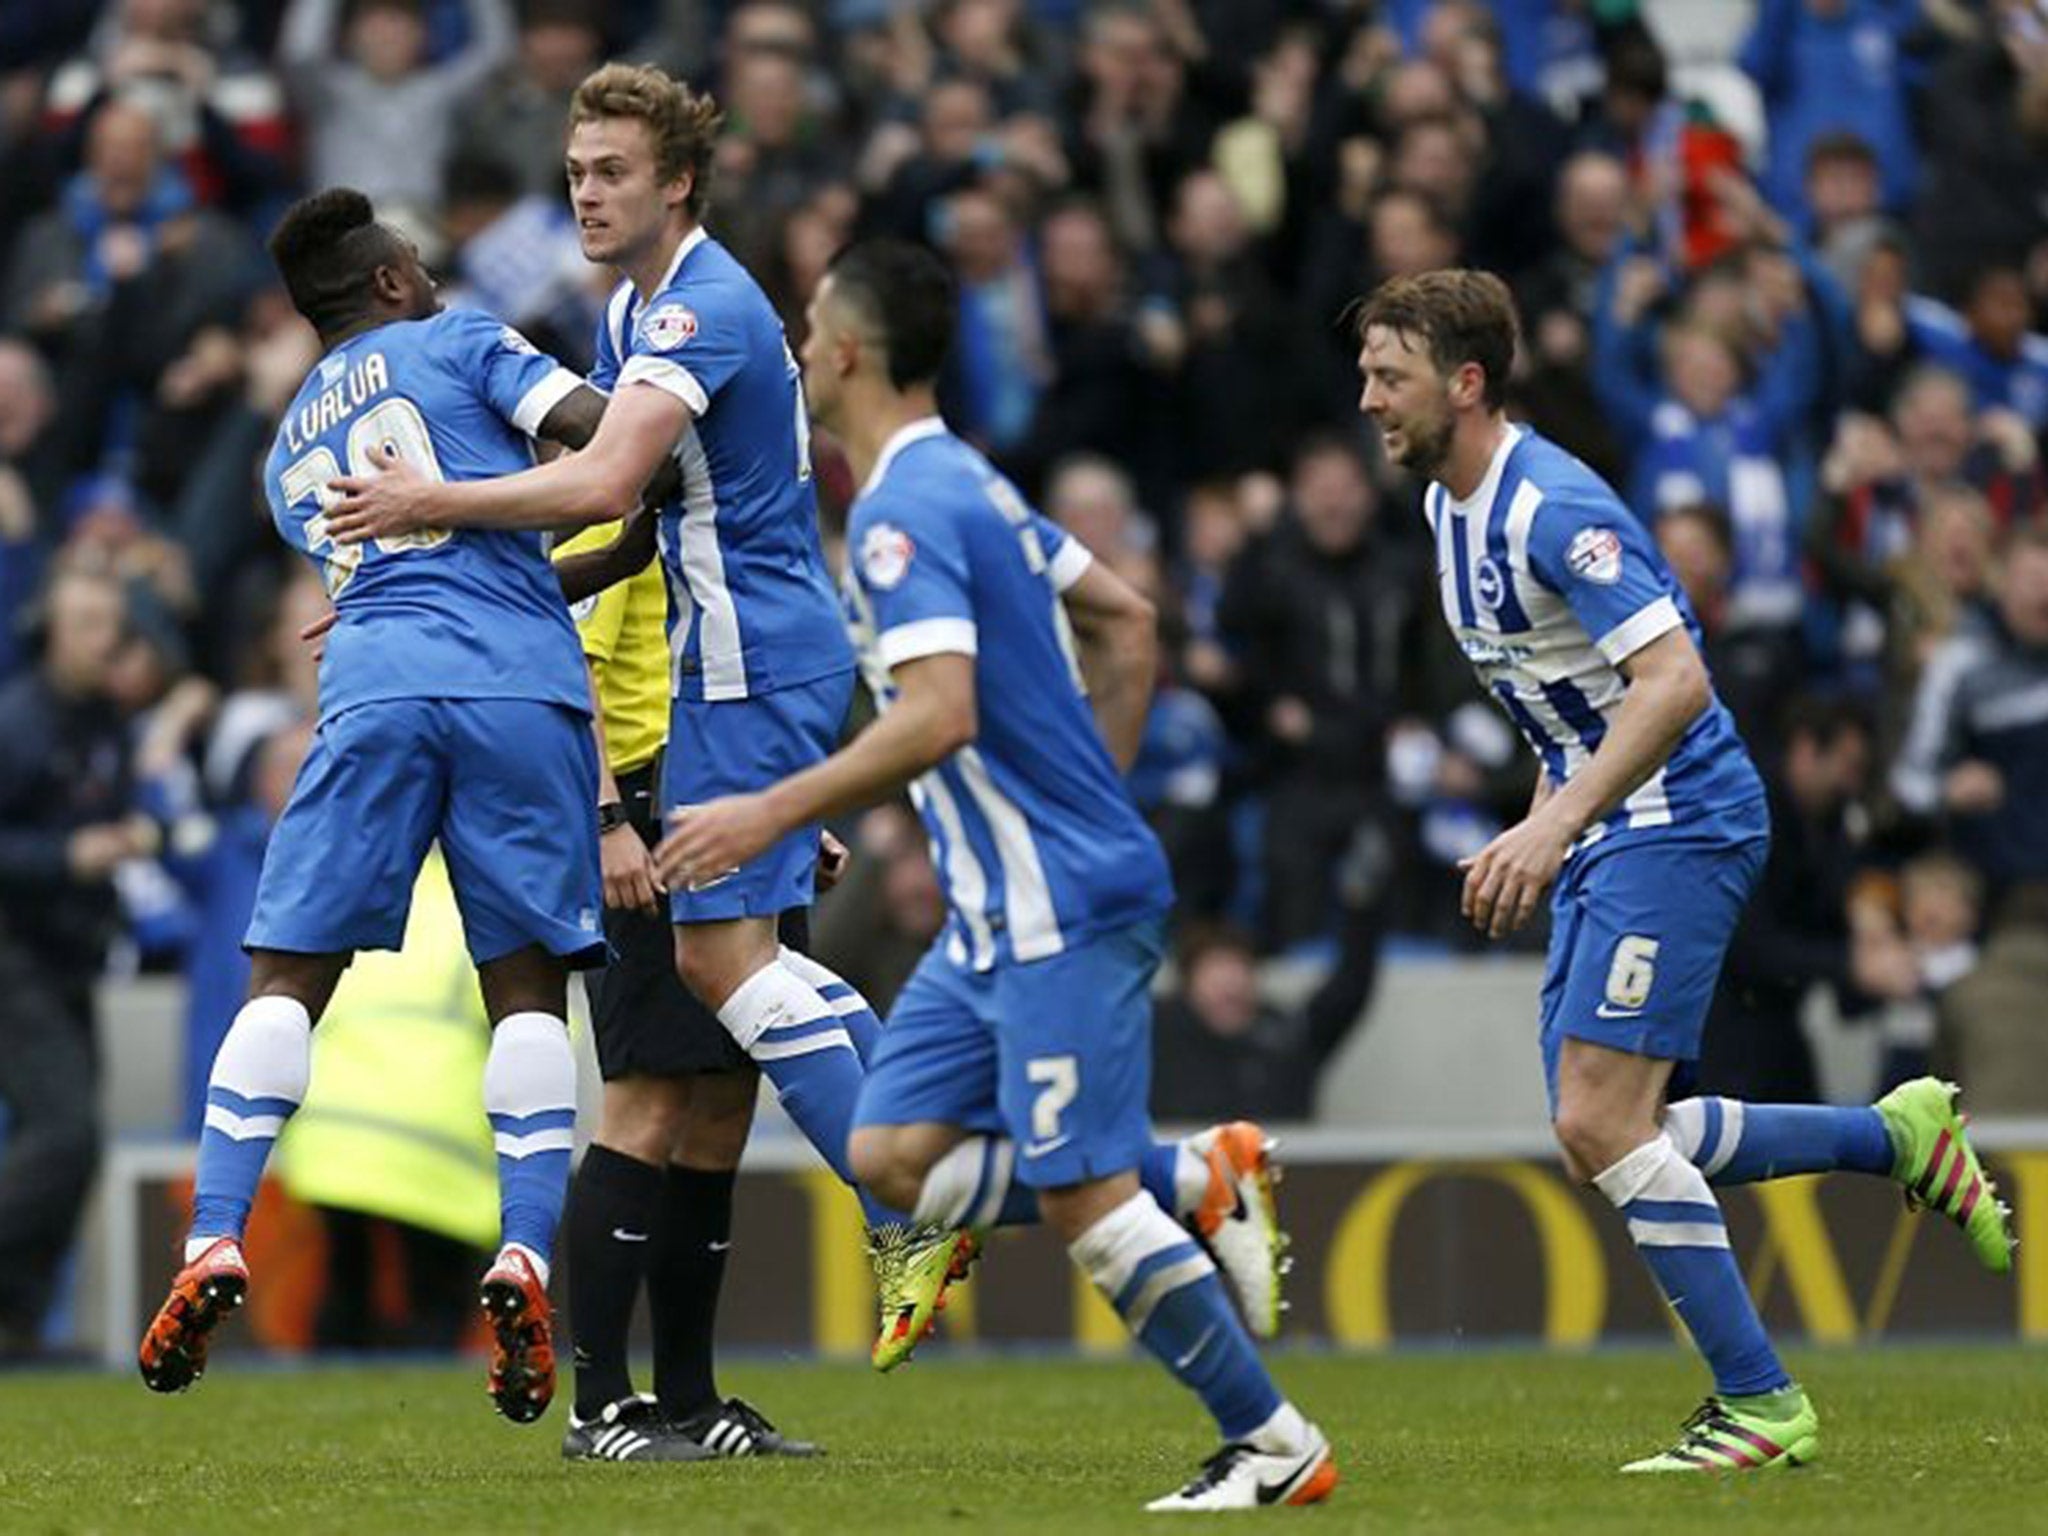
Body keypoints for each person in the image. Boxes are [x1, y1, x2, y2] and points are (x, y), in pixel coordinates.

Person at [660, 239, 1335, 1512]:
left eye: (811, 328)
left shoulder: (905, 510)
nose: (799, 350)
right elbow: (1127, 623)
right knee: (889, 1154)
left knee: (1080, 1199)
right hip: (1003, 909)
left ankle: (1273, 1441)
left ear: (849, 351)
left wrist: (768, 809)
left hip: (1050, 906)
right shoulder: (968, 481)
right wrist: (1091, 798)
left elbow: (939, 715)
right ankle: (1196, 1179)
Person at [321, 63, 956, 1356]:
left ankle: (910, 1190)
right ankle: (906, 1167)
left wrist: (424, 509)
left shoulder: (698, 314)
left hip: (744, 664)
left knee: (725, 972)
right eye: (575, 175)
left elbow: (607, 477)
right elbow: (634, 526)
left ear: (677, 181)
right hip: (735, 662)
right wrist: (440, 580)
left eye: (612, 173)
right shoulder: (633, 315)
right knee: (741, 980)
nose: (587, 196)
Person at [1352, 268, 2014, 1473]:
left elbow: (1673, 683)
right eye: (1364, 375)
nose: (1366, 400)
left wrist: (1551, 830)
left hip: (1679, 819)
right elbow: (1577, 699)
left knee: (1598, 1118)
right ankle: (1893, 1137)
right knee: (1605, 1128)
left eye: (1386, 376)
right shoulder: (1444, 506)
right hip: (1611, 822)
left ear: (1463, 382)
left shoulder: (1552, 508)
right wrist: (1538, 816)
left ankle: (1760, 1403)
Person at [136, 186, 623, 1425]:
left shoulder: (289, 439)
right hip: (519, 690)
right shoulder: (463, 341)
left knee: (284, 980)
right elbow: (607, 446)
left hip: (366, 691)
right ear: (395, 280)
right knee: (525, 985)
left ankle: (212, 1236)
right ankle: (520, 1252)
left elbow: (418, 566)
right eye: (421, 263)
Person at [548, 513, 819, 1460]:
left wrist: (793, 816)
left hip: (735, 807)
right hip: (647, 808)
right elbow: (568, 659)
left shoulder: (722, 512)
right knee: (648, 1101)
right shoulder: (619, 506)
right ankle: (599, 1407)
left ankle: (691, 1398)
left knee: (722, 1107)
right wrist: (609, 818)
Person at [0, 563, 151, 1356]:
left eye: (112, 624)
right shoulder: (19, 723)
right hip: (14, 951)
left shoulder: (104, 720)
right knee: (64, 1135)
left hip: (68, 956)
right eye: (89, 624)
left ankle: (14, 1324)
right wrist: (69, 855)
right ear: (50, 632)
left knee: (69, 1142)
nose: (108, 640)